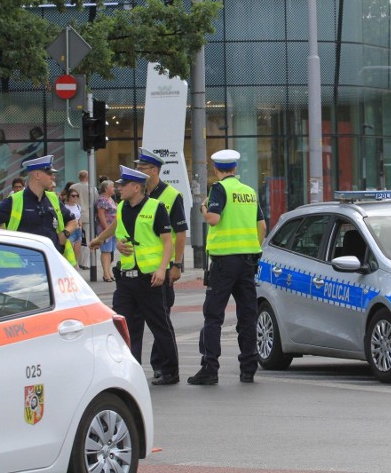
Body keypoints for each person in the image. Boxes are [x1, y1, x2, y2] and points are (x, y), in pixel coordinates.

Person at [89, 166, 179, 385]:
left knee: (160, 325)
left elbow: (168, 241)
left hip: (150, 278)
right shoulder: (122, 207)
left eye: (123, 185)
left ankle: (170, 371)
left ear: (136, 187)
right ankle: (129, 368)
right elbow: (117, 227)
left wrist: (162, 269)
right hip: (126, 279)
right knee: (124, 326)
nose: (119, 188)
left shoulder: (156, 208)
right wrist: (102, 239)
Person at [189, 149, 266, 385]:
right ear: (235, 168)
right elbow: (262, 226)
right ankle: (248, 369)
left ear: (216, 170)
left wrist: (203, 209)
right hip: (247, 261)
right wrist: (252, 247)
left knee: (213, 317)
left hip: (224, 263)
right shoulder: (249, 192)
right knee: (247, 316)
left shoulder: (219, 189)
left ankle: (210, 369)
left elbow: (214, 218)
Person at [133, 147, 188, 383]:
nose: (138, 172)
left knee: (161, 319)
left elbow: (181, 233)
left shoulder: (171, 196)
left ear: (154, 171)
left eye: (142, 169)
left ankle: (164, 367)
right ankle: (158, 365)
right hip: (140, 270)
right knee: (149, 319)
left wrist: (177, 265)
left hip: (163, 269)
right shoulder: (138, 195)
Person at [0, 154, 78, 265]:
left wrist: (64, 235)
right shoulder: (15, 200)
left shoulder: (53, 199)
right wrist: (12, 245)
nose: (53, 177)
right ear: (37, 175)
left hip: (51, 262)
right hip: (22, 268)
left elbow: (73, 221)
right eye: (49, 173)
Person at [70, 169, 96, 269]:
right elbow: (95, 200)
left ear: (79, 177)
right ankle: (84, 263)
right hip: (87, 216)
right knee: (86, 240)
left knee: (74, 239)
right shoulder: (91, 188)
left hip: (74, 215)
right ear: (87, 177)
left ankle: (74, 260)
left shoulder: (73, 187)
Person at [95, 180, 118, 282]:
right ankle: (105, 273)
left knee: (110, 252)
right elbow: (101, 215)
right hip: (106, 229)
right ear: (105, 189)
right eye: (112, 187)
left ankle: (109, 272)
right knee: (105, 251)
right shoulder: (102, 200)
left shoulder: (110, 199)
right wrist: (107, 229)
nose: (114, 189)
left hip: (112, 230)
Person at [63, 188, 84, 269]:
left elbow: (79, 217)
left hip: (78, 230)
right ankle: (69, 267)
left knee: (77, 251)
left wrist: (81, 225)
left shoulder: (78, 207)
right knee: (69, 251)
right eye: (73, 196)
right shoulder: (65, 207)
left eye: (77, 196)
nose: (75, 198)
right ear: (68, 197)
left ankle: (75, 265)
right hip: (70, 230)